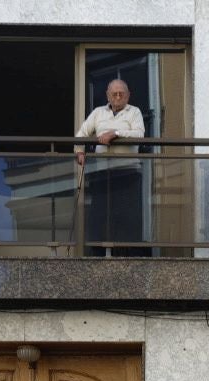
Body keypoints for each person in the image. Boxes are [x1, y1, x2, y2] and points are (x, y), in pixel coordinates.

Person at [74, 79, 145, 256]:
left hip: (128, 172)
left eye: (122, 93)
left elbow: (139, 135)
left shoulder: (134, 112)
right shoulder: (98, 113)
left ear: (128, 95)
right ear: (108, 95)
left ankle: (127, 253)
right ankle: (97, 251)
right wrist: (80, 151)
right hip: (102, 173)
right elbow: (81, 134)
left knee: (126, 215)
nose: (118, 96)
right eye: (114, 93)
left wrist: (116, 134)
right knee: (100, 214)